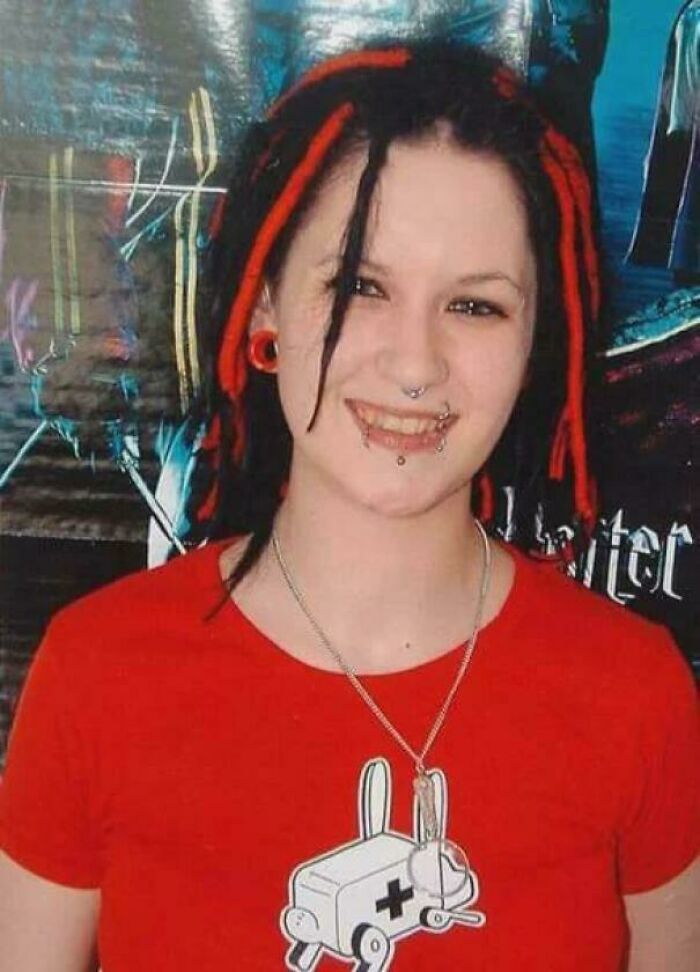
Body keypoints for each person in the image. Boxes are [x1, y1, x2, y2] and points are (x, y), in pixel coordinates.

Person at [0, 40, 698, 972]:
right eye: (361, 287)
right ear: (265, 313)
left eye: (476, 306)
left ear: (539, 339)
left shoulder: (637, 697)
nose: (415, 365)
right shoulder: (95, 674)